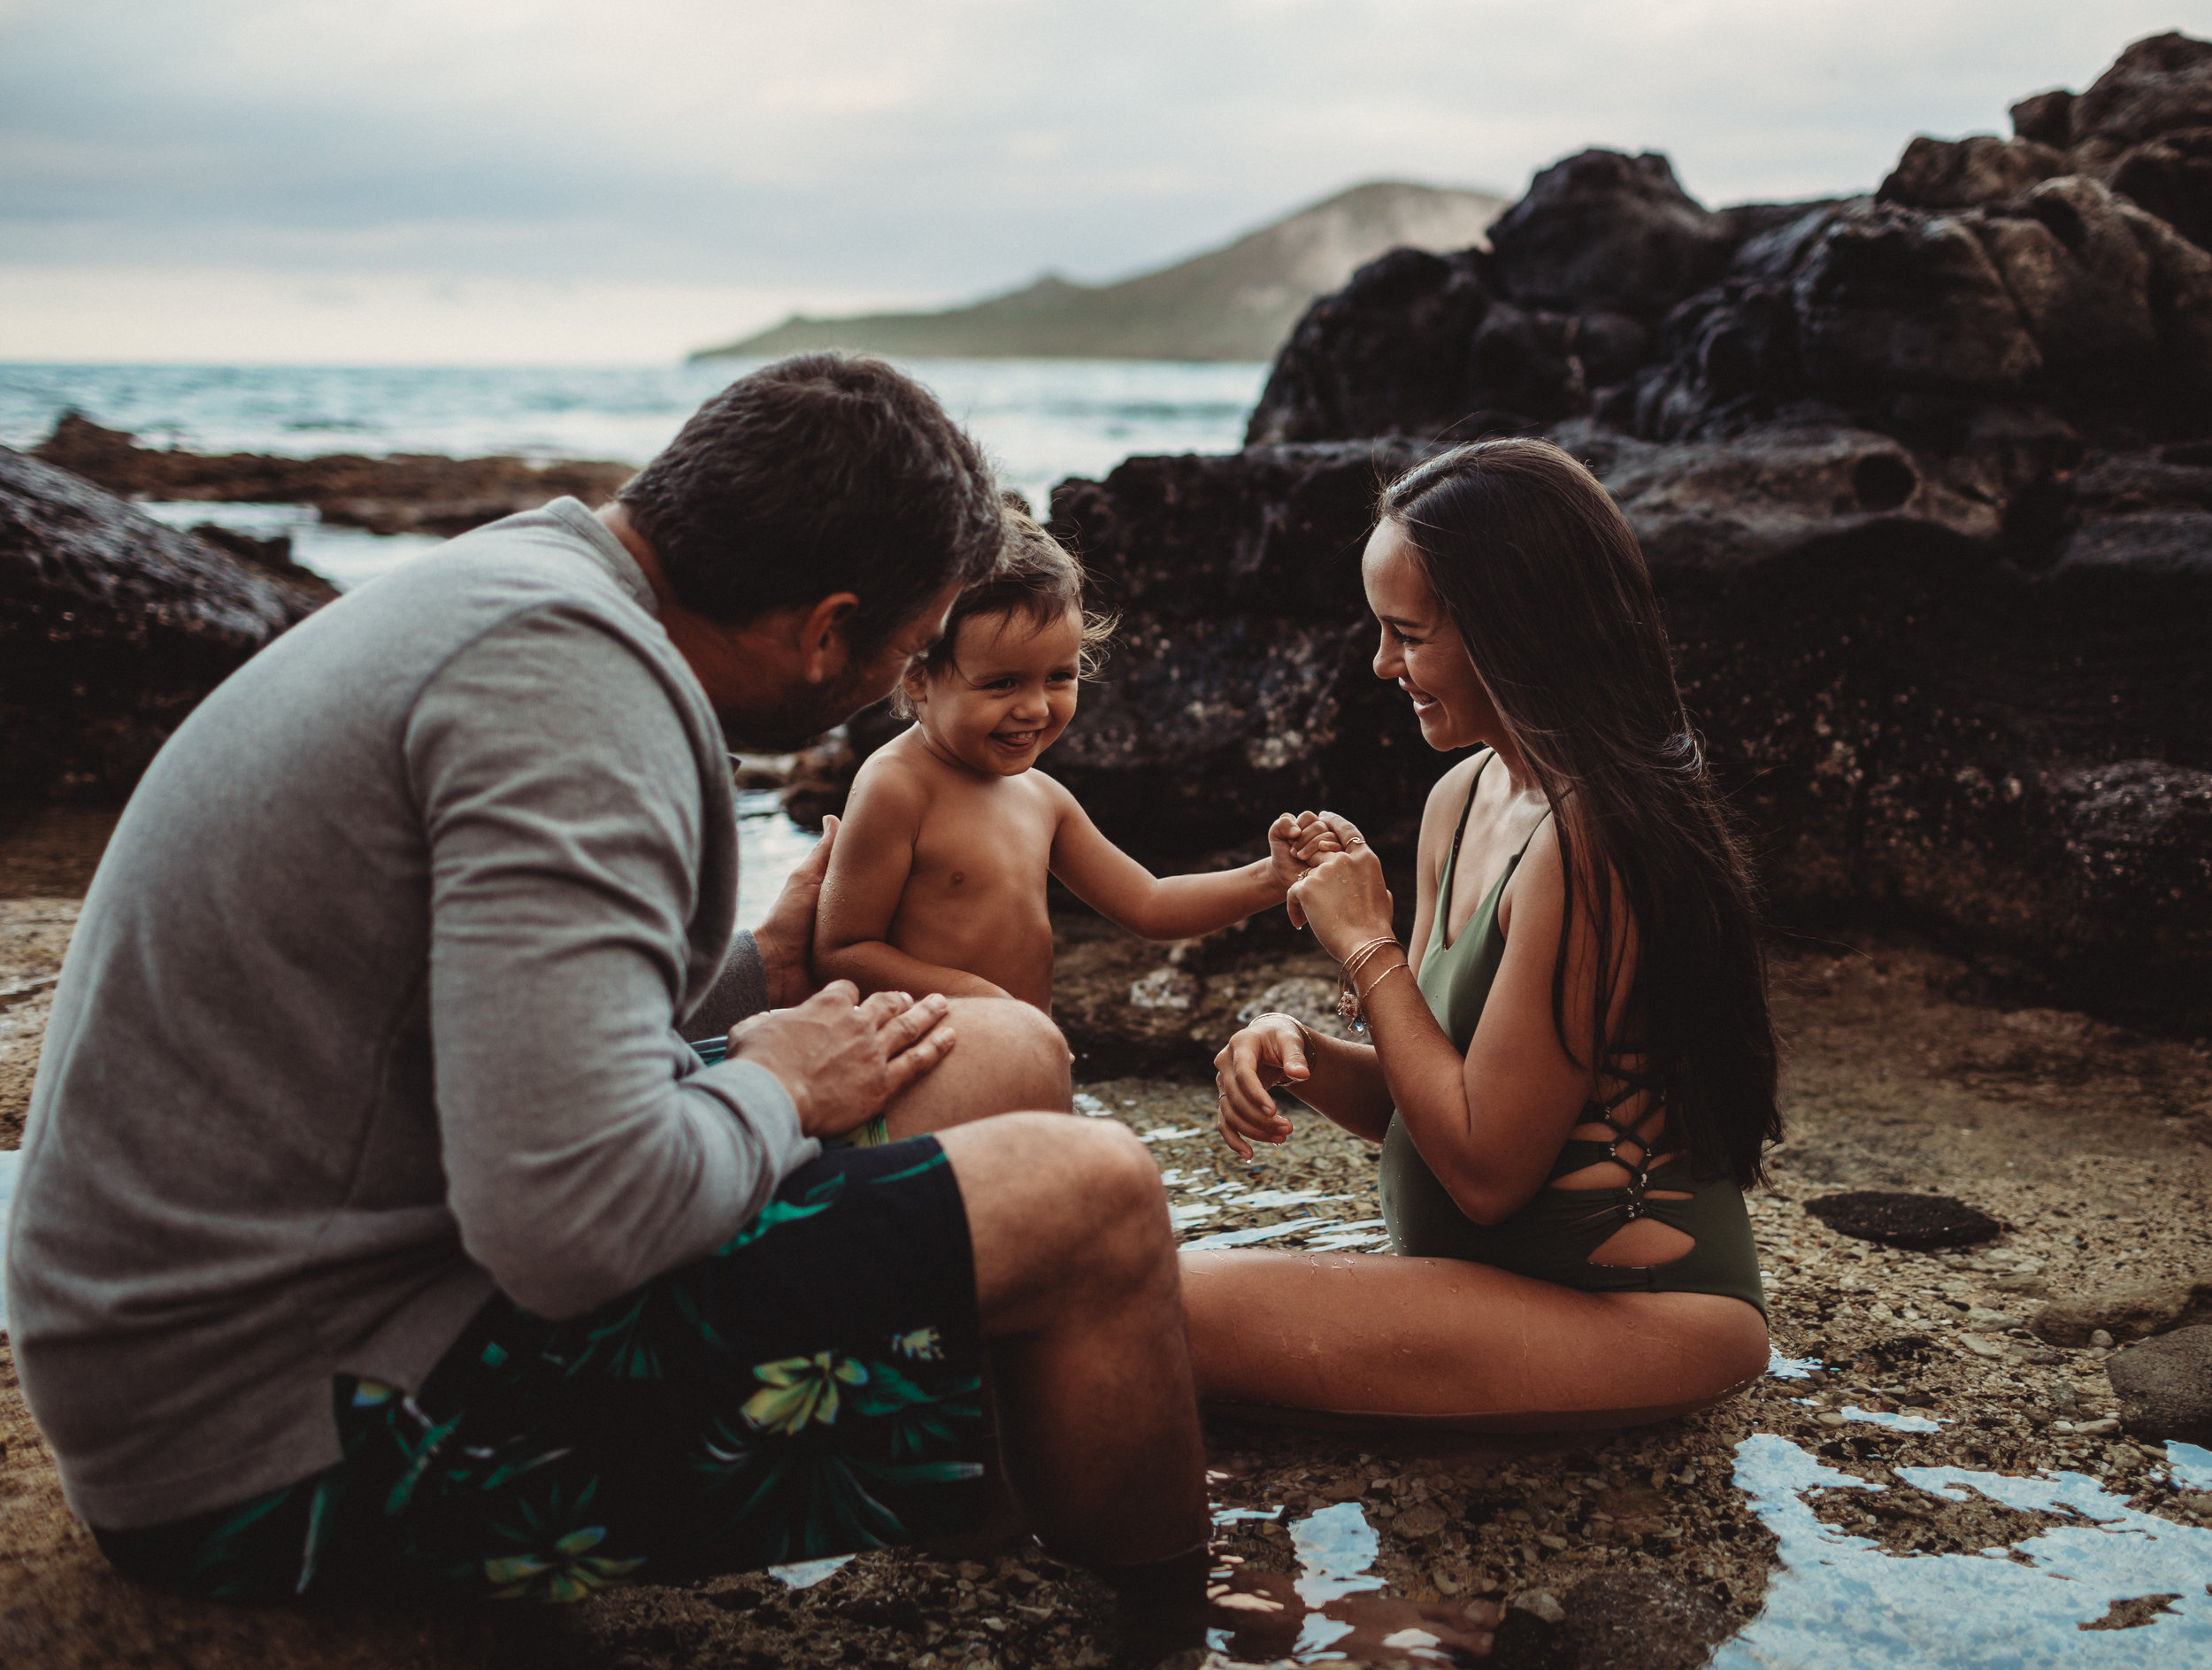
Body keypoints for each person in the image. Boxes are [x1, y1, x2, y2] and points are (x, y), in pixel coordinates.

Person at [5, 356, 1210, 1618]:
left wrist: (765, 978)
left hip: (319, 1275)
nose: (884, 695)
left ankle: (1004, 1502)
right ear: (825, 627)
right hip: (270, 1435)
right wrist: (776, 1085)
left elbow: (494, 1030)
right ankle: (1173, 1626)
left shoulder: (538, 585)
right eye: (908, 649)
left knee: (998, 1051)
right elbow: (573, 1218)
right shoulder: (576, 699)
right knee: (1097, 1200)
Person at [1190, 437, 1778, 1428]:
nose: (1381, 664)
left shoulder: (1597, 840)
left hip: (1637, 1322)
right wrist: (1308, 1062)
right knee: (1125, 1299)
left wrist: (1366, 947)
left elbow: (1489, 1172)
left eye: (1406, 634)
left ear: (1513, 631)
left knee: (1153, 1301)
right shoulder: (1461, 797)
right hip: (1500, 1294)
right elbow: (1445, 1106)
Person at [814, 501, 1333, 1012]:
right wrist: (979, 999)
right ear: (918, 675)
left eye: (1059, 677)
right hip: (929, 1061)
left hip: (1021, 1057)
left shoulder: (1042, 798)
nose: (1036, 708)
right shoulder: (896, 787)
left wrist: (1271, 876)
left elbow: (1150, 905)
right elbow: (842, 952)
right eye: (1002, 684)